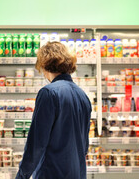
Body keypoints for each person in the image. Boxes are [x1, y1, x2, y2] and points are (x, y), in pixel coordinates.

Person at [15, 41, 92, 179]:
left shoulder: (48, 93)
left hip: (52, 173)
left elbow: (37, 144)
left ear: (44, 65)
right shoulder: (83, 96)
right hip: (77, 173)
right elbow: (84, 145)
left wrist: (22, 175)